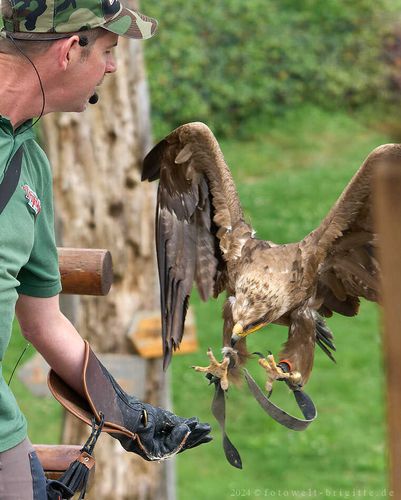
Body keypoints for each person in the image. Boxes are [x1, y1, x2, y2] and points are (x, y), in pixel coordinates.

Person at [0, 0, 211, 498]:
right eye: (110, 50)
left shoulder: (30, 165)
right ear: (71, 50)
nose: (113, 67)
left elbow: (43, 320)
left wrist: (130, 415)